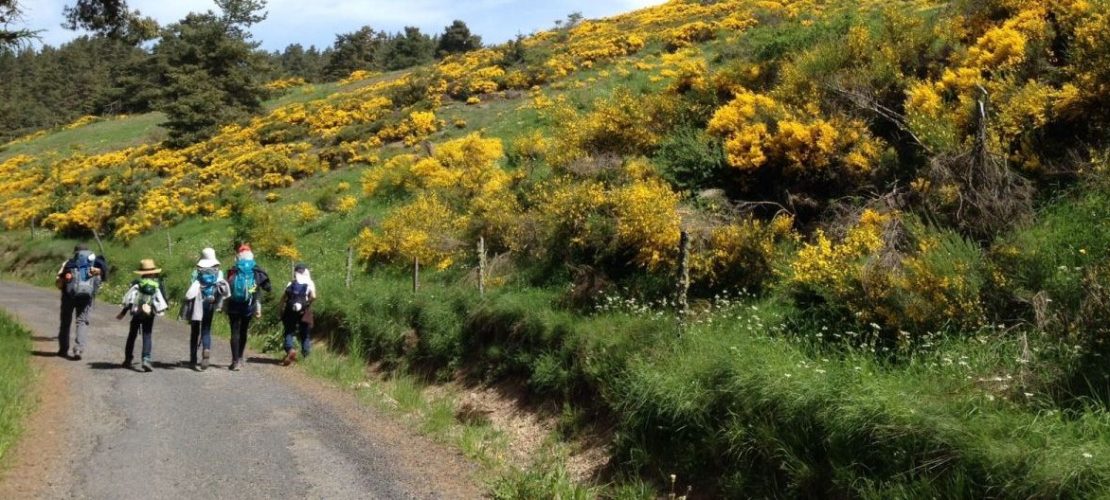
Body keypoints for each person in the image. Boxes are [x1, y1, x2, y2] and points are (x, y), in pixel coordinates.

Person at [55, 244, 109, 360]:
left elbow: (58, 282)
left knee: (66, 322)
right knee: (82, 322)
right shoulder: (95, 264)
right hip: (86, 297)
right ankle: (78, 349)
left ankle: (63, 349)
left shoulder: (68, 263)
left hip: (68, 296)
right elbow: (102, 279)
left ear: (75, 253)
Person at [221, 244, 271, 371]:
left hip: (233, 305)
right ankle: (241, 357)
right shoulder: (256, 269)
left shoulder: (233, 269)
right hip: (248, 306)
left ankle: (235, 361)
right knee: (243, 331)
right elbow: (267, 287)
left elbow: (227, 287)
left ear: (238, 256)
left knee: (234, 332)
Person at [116, 259, 168, 372]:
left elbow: (130, 299)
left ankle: (128, 359)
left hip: (137, 312)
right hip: (149, 314)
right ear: (154, 272)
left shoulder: (136, 283)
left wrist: (123, 312)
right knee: (147, 334)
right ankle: (146, 359)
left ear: (142, 272)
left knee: (132, 335)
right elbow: (164, 300)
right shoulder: (157, 284)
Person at [182, 248, 229, 371]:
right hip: (210, 302)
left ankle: (193, 360)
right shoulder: (218, 273)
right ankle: (206, 350)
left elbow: (192, 287)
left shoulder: (196, 272)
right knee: (206, 329)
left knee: (194, 330)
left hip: (198, 302)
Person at [278, 263, 317, 366]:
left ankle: (290, 350)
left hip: (290, 310)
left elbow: (283, 299)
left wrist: (280, 310)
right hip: (305, 310)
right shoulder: (310, 283)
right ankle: (306, 357)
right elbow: (314, 296)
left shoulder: (291, 282)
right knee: (305, 334)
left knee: (289, 331)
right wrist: (307, 303)